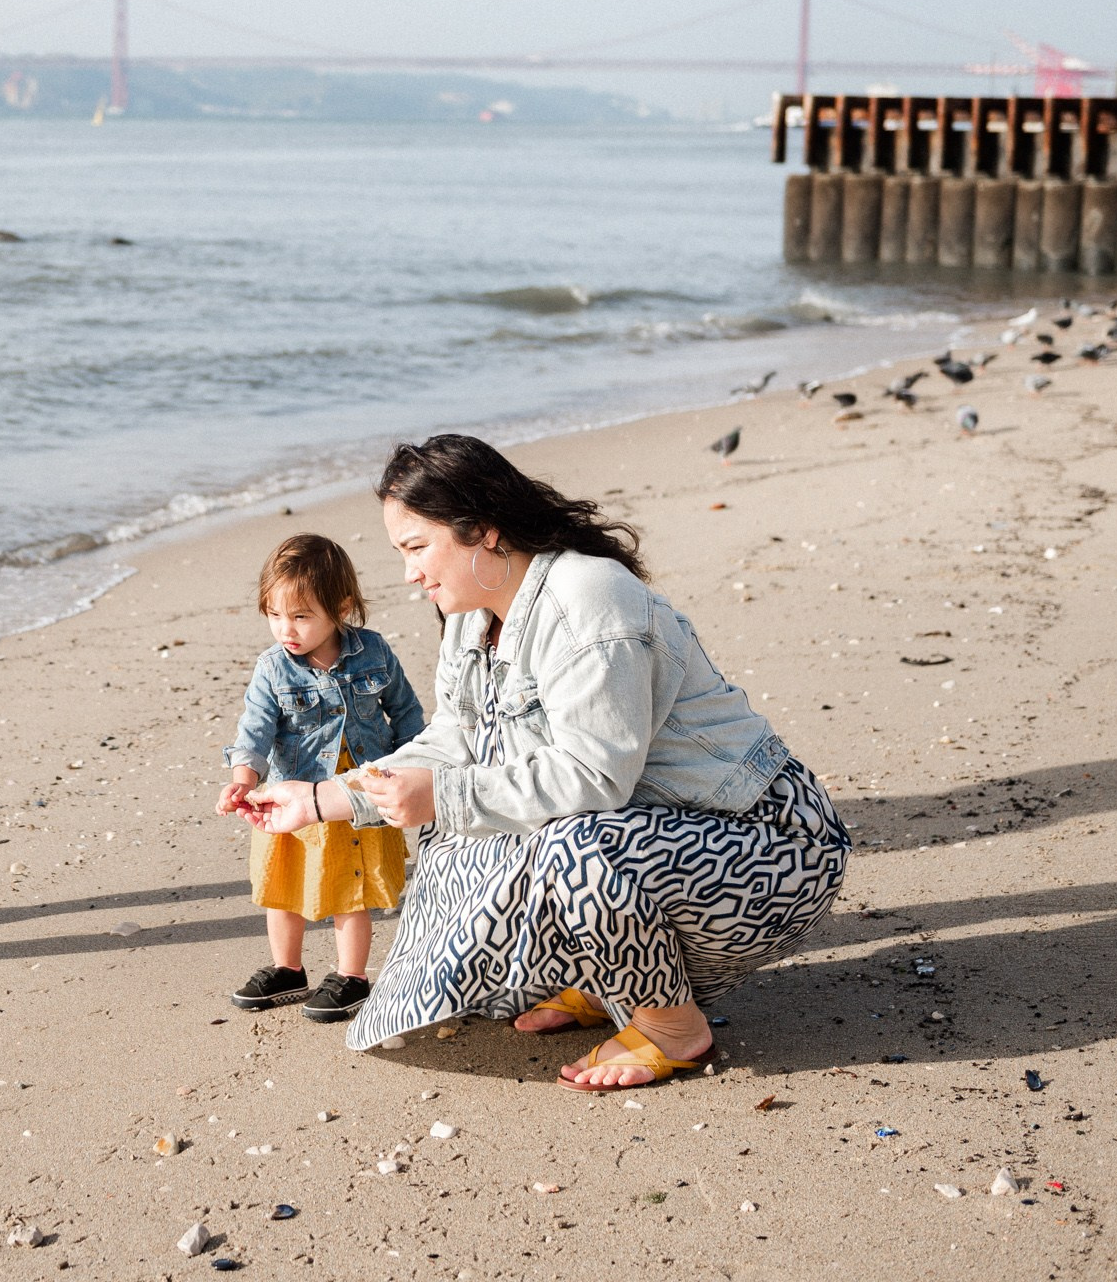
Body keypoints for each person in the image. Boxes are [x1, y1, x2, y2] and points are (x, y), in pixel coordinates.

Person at [247, 434, 848, 1090]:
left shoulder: (589, 597)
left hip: (770, 840)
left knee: (564, 843)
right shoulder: (472, 618)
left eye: (417, 547)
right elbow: (455, 740)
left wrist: (443, 795)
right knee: (463, 836)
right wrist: (316, 799)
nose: (409, 572)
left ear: (483, 531)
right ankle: (606, 978)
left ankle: (673, 1027)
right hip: (659, 830)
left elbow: (596, 776)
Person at [217, 535, 426, 1023]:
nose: (285, 629)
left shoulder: (373, 652)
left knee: (349, 889)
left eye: (301, 616)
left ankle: (351, 976)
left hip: (358, 793)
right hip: (292, 794)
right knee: (282, 883)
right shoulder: (273, 668)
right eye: (274, 615)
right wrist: (243, 780)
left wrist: (414, 769)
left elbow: (407, 714)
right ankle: (287, 968)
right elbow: (254, 730)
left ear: (342, 607)